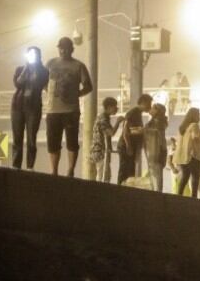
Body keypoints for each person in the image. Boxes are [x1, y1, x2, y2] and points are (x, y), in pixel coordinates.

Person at [45, 36, 93, 177]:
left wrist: (76, 94)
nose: (63, 50)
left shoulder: (78, 66)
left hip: (71, 110)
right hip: (53, 109)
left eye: (66, 48)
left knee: (72, 141)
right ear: (58, 48)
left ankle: (70, 169)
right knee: (53, 141)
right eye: (61, 48)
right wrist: (47, 90)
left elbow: (88, 86)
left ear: (72, 49)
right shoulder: (50, 64)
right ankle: (54, 170)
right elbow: (42, 80)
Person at [10, 46, 49, 170]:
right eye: (29, 54)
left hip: (33, 107)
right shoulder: (20, 69)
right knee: (17, 137)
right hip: (18, 105)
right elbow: (18, 84)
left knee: (31, 137)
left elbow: (41, 83)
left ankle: (30, 166)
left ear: (39, 56)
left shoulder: (43, 71)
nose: (32, 57)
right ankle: (16, 165)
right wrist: (27, 67)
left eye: (34, 54)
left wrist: (35, 68)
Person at [117, 94, 153, 185]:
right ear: (143, 103)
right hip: (126, 145)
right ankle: (120, 188)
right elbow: (125, 130)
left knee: (130, 169)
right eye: (148, 103)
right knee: (125, 169)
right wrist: (128, 146)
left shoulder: (138, 113)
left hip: (131, 146)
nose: (150, 106)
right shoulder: (133, 113)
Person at [174, 108, 200, 198]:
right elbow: (195, 137)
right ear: (194, 116)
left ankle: (179, 196)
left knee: (185, 177)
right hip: (193, 156)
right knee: (195, 178)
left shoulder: (182, 127)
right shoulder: (194, 125)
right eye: (198, 115)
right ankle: (194, 198)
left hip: (183, 156)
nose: (199, 117)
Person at [89, 96, 120, 182]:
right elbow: (111, 133)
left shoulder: (104, 117)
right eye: (115, 106)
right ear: (109, 107)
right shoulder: (103, 119)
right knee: (102, 177)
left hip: (101, 152)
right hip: (101, 152)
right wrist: (118, 121)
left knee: (105, 175)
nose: (116, 108)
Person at [143, 103, 170, 192]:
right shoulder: (155, 121)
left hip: (157, 151)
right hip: (153, 150)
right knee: (155, 175)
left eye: (153, 108)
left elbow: (157, 132)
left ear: (157, 111)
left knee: (157, 175)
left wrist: (144, 130)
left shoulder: (158, 122)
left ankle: (157, 194)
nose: (150, 109)